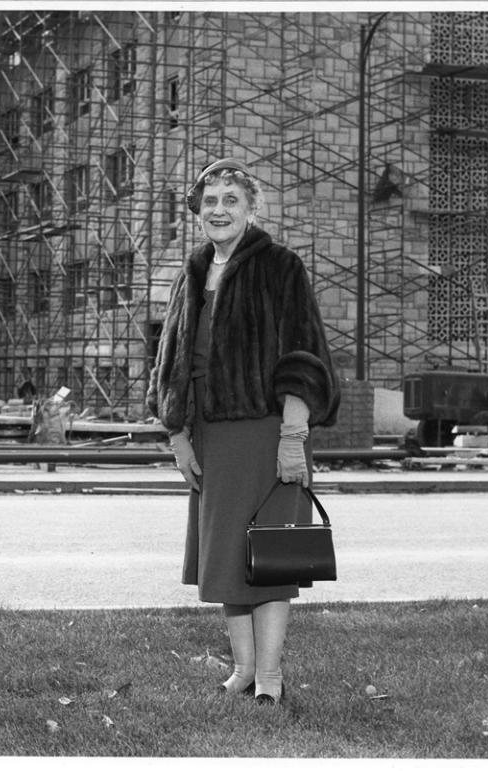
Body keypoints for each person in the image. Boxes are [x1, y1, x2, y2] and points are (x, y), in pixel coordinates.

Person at [147, 158, 340, 707]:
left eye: (231, 200)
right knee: (226, 557)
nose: (219, 210)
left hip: (266, 430)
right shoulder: (193, 268)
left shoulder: (280, 265)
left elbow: (303, 351)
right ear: (198, 211)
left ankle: (272, 675)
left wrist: (293, 434)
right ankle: (244, 667)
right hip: (209, 432)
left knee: (270, 555)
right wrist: (178, 434)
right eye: (210, 201)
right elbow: (171, 358)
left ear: (252, 208)